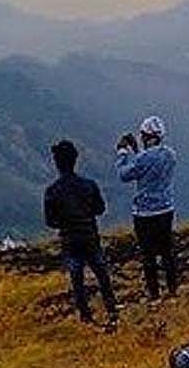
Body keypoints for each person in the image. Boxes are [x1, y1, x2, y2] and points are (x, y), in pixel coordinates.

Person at [43, 139, 118, 325]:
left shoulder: (52, 191)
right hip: (89, 235)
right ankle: (111, 309)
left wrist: (64, 221)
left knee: (77, 278)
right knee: (101, 273)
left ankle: (85, 316)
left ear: (57, 163)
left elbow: (50, 221)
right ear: (75, 160)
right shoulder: (89, 185)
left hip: (69, 239)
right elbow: (100, 209)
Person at [117, 114, 179, 300]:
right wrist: (137, 151)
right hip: (166, 209)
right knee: (167, 251)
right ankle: (172, 289)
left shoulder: (143, 158)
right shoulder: (170, 155)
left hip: (145, 213)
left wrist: (122, 152)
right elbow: (147, 165)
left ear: (147, 136)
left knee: (148, 254)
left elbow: (124, 174)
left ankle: (154, 294)